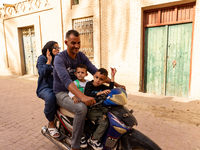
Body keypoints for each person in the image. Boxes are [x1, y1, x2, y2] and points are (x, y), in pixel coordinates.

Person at [53, 29, 126, 150]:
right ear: (66, 42)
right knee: (81, 108)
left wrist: (116, 84)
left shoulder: (81, 56)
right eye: (73, 43)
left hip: (79, 91)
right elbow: (66, 81)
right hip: (62, 92)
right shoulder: (60, 58)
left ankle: (93, 134)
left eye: (79, 43)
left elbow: (94, 71)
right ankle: (75, 146)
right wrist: (83, 97)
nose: (77, 46)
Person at [84, 67, 117, 150]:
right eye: (96, 77)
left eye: (101, 79)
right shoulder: (89, 84)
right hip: (90, 109)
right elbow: (87, 94)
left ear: (105, 81)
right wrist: (101, 93)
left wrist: (113, 77)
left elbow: (110, 90)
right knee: (104, 122)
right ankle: (93, 139)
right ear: (93, 76)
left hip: (100, 108)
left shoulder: (102, 87)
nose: (98, 80)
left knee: (112, 116)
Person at [36, 41, 60, 138]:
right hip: (45, 88)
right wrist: (49, 61)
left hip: (56, 86)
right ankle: (51, 123)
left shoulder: (58, 59)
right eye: (55, 47)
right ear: (49, 48)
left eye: (58, 48)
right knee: (50, 98)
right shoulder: (42, 58)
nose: (57, 49)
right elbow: (41, 73)